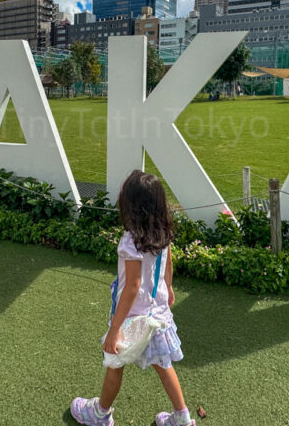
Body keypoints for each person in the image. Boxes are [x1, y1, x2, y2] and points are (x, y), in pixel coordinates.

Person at [71, 170, 195, 426]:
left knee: (114, 364)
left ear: (130, 205)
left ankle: (100, 413)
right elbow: (168, 264)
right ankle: (182, 418)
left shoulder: (131, 241)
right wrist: (169, 288)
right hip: (157, 314)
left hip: (131, 318)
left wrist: (115, 329)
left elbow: (132, 286)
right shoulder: (163, 233)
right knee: (163, 365)